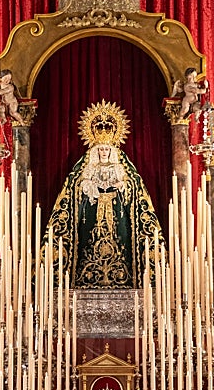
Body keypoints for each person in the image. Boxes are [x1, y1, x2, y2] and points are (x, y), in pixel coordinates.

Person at [42, 101, 164, 289]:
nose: (104, 152)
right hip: (92, 210)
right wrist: (90, 186)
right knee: (89, 239)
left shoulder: (120, 166)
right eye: (100, 149)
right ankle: (87, 275)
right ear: (95, 150)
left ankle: (123, 275)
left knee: (121, 236)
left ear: (112, 149)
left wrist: (121, 184)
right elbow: (76, 185)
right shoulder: (88, 167)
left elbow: (133, 185)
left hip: (117, 210)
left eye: (107, 149)